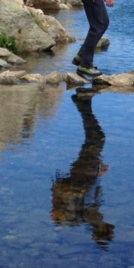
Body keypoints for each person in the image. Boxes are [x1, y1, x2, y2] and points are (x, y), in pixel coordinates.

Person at [51, 89, 114, 247]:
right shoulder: (88, 219)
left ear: (104, 228)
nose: (108, 223)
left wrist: (97, 173)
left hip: (84, 173)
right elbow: (89, 195)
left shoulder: (93, 218)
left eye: (108, 227)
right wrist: (98, 174)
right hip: (84, 173)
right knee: (95, 138)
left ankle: (83, 104)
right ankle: (84, 104)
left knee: (97, 138)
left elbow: (87, 195)